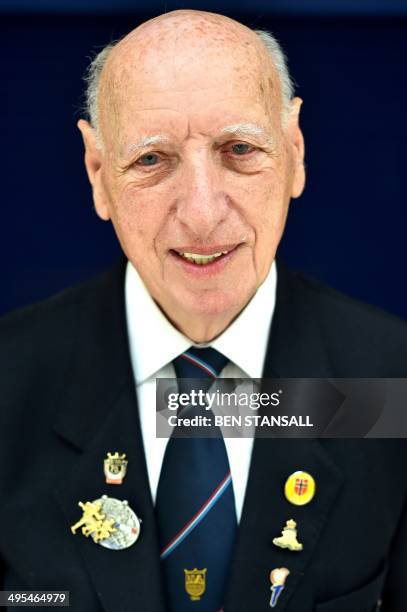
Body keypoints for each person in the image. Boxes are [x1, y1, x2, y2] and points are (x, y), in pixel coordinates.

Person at [1, 9, 407, 612]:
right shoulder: (9, 380)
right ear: (97, 174)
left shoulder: (391, 384)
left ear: (294, 152)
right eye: (151, 160)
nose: (201, 213)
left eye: (239, 149)